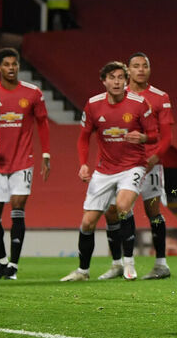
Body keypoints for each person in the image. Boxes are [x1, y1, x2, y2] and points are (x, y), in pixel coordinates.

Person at [60, 61, 157, 282]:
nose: (117, 82)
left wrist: (143, 137)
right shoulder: (93, 105)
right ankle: (83, 271)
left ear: (126, 81)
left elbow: (154, 135)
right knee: (88, 222)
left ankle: (129, 263)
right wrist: (83, 164)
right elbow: (83, 137)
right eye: (112, 78)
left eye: (121, 78)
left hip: (132, 166)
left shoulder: (139, 103)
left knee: (122, 206)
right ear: (103, 81)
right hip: (104, 170)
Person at [99, 52, 175, 281]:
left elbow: (167, 136)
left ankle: (161, 264)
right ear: (128, 70)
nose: (141, 70)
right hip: (121, 166)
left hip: (150, 165)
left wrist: (154, 158)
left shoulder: (160, 97)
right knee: (112, 211)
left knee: (153, 211)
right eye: (136, 66)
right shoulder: (116, 96)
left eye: (145, 66)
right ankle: (117, 264)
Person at [0, 48, 51, 280]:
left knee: (17, 207)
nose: (11, 68)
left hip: (23, 161)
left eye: (14, 64)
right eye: (6, 64)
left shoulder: (32, 93)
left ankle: (13, 266)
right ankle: (2, 261)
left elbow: (43, 123)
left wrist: (46, 154)